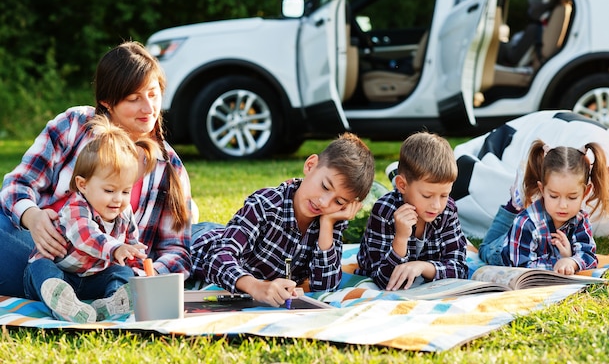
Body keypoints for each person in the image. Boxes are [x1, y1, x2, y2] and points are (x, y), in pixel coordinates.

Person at [0, 41, 193, 298]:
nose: (149, 108)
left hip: (106, 273)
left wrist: (136, 275)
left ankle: (100, 296)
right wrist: (32, 218)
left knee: (204, 234)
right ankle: (53, 288)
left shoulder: (168, 167)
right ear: (107, 102)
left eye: (153, 94)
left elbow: (177, 252)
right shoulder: (73, 126)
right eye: (134, 99)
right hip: (40, 254)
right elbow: (17, 185)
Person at [190, 133, 375, 307]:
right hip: (199, 242)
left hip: (234, 241)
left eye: (339, 201)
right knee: (174, 237)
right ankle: (187, 213)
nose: (324, 202)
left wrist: (327, 225)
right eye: (325, 186)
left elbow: (324, 287)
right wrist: (255, 286)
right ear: (310, 166)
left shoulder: (330, 219)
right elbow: (217, 258)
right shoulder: (265, 204)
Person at [23, 115, 158, 323]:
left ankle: (110, 304)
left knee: (121, 271)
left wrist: (136, 260)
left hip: (93, 277)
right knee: (40, 268)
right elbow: (86, 236)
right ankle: (62, 303)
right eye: (110, 190)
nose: (118, 199)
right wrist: (116, 249)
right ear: (83, 185)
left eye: (125, 191)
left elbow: (130, 245)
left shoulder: (124, 212)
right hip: (61, 271)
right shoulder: (75, 208)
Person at [478, 140, 609, 274]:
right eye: (554, 196)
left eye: (572, 197)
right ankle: (513, 206)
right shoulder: (525, 223)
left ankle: (517, 203)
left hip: (541, 253)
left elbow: (589, 255)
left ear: (585, 192)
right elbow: (523, 267)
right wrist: (559, 261)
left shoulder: (580, 219)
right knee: (484, 248)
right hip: (500, 251)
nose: (563, 205)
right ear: (542, 189)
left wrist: (571, 260)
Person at [356, 132, 468, 291]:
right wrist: (400, 238)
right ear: (402, 185)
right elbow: (383, 280)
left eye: (444, 195)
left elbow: (460, 268)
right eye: (427, 196)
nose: (436, 205)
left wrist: (422, 267)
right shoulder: (384, 211)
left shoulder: (447, 209)